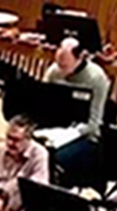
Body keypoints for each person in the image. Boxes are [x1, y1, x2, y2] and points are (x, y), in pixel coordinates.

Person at [42, 38, 112, 185]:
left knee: (54, 159)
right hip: (54, 130)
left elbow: (93, 123)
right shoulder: (54, 71)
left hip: (84, 137)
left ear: (80, 58)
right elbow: (42, 105)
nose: (60, 70)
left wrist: (68, 134)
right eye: (58, 64)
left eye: (65, 65)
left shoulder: (96, 78)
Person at [0, 116, 50, 211]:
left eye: (16, 140)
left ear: (28, 140)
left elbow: (37, 191)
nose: (10, 143)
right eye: (8, 137)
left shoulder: (39, 155)